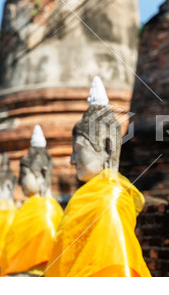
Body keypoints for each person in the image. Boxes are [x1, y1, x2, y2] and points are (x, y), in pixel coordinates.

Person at [45, 76, 150, 277]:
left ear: (109, 147)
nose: (72, 160)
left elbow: (114, 266)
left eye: (79, 150)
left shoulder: (110, 198)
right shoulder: (81, 198)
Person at [0, 125, 63, 276]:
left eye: (24, 174)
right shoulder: (26, 209)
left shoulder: (47, 212)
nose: (20, 182)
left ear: (43, 173)